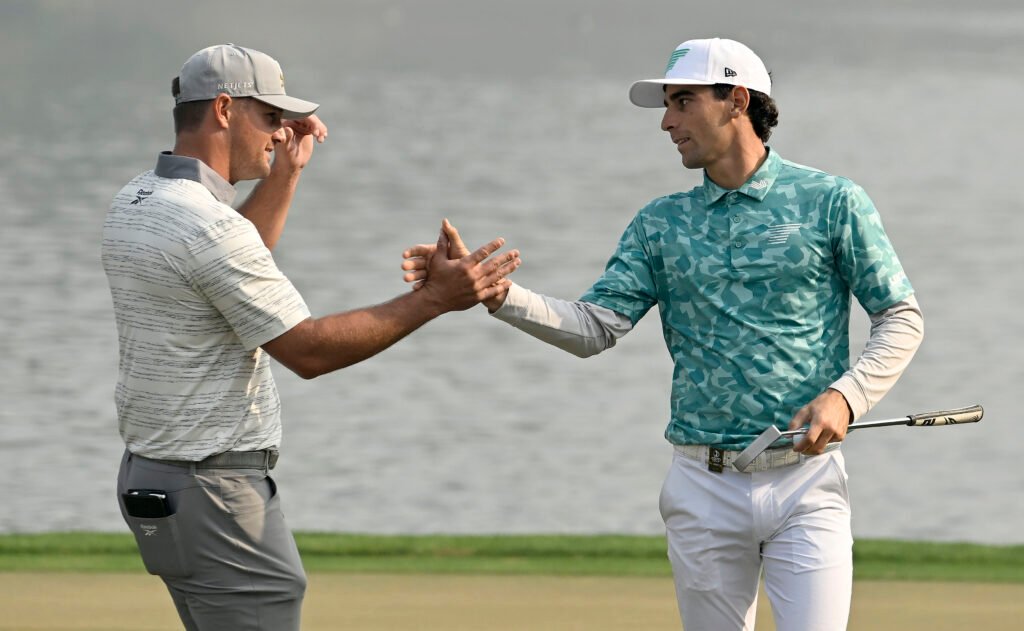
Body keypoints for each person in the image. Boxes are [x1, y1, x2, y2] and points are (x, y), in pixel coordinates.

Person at [402, 38, 923, 630]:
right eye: (667, 106)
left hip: (805, 483)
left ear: (738, 101)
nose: (667, 122)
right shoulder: (660, 223)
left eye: (682, 101)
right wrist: (499, 296)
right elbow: (595, 327)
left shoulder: (832, 202)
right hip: (702, 488)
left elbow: (901, 316)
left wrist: (847, 397)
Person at [101, 44, 520, 631]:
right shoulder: (208, 225)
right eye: (270, 117)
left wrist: (288, 172)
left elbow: (228, 264)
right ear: (225, 110)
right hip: (215, 492)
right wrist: (433, 299)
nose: (280, 133)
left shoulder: (139, 198)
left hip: (156, 476)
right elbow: (308, 350)